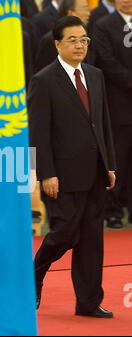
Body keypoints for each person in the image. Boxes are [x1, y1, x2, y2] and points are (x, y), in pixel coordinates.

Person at [28, 16, 116, 318]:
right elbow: (39, 132)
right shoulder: (44, 80)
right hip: (62, 175)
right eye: (73, 40)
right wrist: (46, 173)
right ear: (57, 44)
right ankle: (33, 275)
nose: (80, 45)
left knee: (92, 239)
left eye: (84, 40)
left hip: (95, 171)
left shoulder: (95, 75)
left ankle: (89, 302)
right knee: (64, 233)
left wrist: (110, 164)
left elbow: (102, 123)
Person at [94, 0, 132, 228]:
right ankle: (113, 210)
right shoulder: (103, 25)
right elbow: (107, 62)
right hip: (119, 104)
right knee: (117, 159)